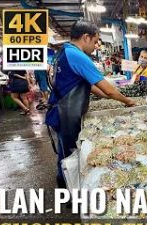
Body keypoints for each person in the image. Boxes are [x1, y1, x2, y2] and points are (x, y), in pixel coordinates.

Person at [45, 20, 135, 188]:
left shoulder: (65, 51)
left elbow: (90, 85)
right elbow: (106, 88)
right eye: (94, 42)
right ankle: (71, 192)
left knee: (65, 153)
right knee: (70, 155)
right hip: (66, 114)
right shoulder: (77, 55)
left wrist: (109, 97)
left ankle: (64, 183)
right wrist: (126, 100)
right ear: (86, 37)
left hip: (61, 111)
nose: (95, 46)